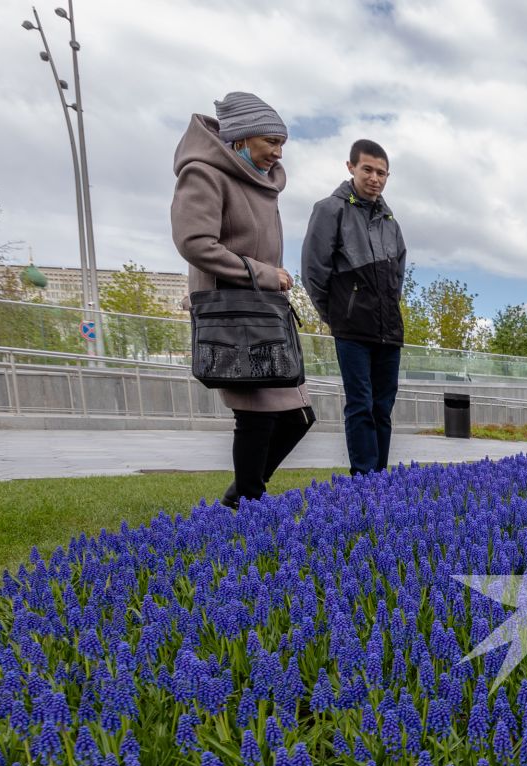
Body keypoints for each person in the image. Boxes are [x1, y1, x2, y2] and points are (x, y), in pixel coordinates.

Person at [171, 92, 313, 509]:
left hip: (264, 313)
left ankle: (241, 496)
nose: (277, 152)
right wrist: (264, 274)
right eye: (270, 141)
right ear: (241, 137)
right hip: (235, 316)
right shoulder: (204, 174)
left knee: (297, 415)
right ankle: (246, 502)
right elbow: (195, 242)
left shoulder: (260, 183)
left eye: (281, 143)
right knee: (256, 416)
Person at [302, 140, 407, 476]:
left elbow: (397, 277)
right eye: (368, 170)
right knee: (360, 404)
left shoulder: (391, 221)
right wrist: (335, 316)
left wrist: (387, 307)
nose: (375, 178)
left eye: (381, 172)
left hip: (388, 330)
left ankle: (380, 476)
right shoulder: (330, 210)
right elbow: (313, 272)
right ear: (350, 167)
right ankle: (363, 479)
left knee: (382, 407)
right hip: (352, 329)